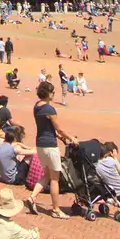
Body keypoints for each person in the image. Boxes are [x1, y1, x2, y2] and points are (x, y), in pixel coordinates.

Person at [25, 81, 73, 218]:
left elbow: (49, 128)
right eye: (52, 92)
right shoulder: (50, 110)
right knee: (54, 179)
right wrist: (70, 138)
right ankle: (56, 209)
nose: (54, 94)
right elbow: (58, 128)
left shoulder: (37, 107)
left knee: (46, 175)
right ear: (47, 93)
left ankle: (32, 197)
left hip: (40, 144)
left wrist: (60, 137)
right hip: (50, 146)